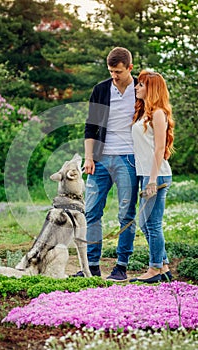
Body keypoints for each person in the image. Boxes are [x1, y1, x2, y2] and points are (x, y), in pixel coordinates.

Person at [75, 47, 139, 281]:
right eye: (111, 71)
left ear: (129, 68)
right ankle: (91, 266)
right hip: (101, 159)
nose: (114, 76)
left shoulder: (142, 87)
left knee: (126, 214)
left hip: (129, 159)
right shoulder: (101, 90)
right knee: (91, 212)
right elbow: (90, 126)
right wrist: (89, 158)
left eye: (119, 72)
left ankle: (121, 267)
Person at [130, 70, 174, 283]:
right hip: (146, 174)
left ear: (152, 88)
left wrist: (152, 181)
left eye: (141, 85)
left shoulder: (158, 113)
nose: (137, 87)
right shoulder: (146, 112)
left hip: (156, 175)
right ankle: (163, 265)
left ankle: (155, 268)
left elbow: (159, 149)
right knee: (146, 223)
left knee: (151, 224)